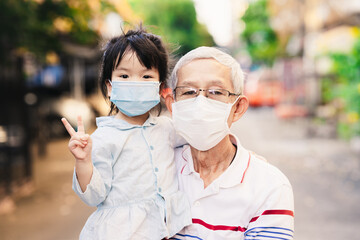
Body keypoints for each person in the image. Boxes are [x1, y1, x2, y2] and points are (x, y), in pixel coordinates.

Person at [61, 27, 191, 240]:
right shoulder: (103, 138)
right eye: (124, 75)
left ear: (159, 88)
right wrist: (83, 161)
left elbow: (198, 140)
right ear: (110, 87)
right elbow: (95, 196)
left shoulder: (168, 128)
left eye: (146, 75)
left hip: (166, 231)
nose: (135, 82)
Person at [164, 46, 294, 240]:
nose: (200, 103)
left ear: (237, 108)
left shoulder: (269, 186)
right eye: (188, 92)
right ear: (172, 105)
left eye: (216, 92)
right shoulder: (158, 170)